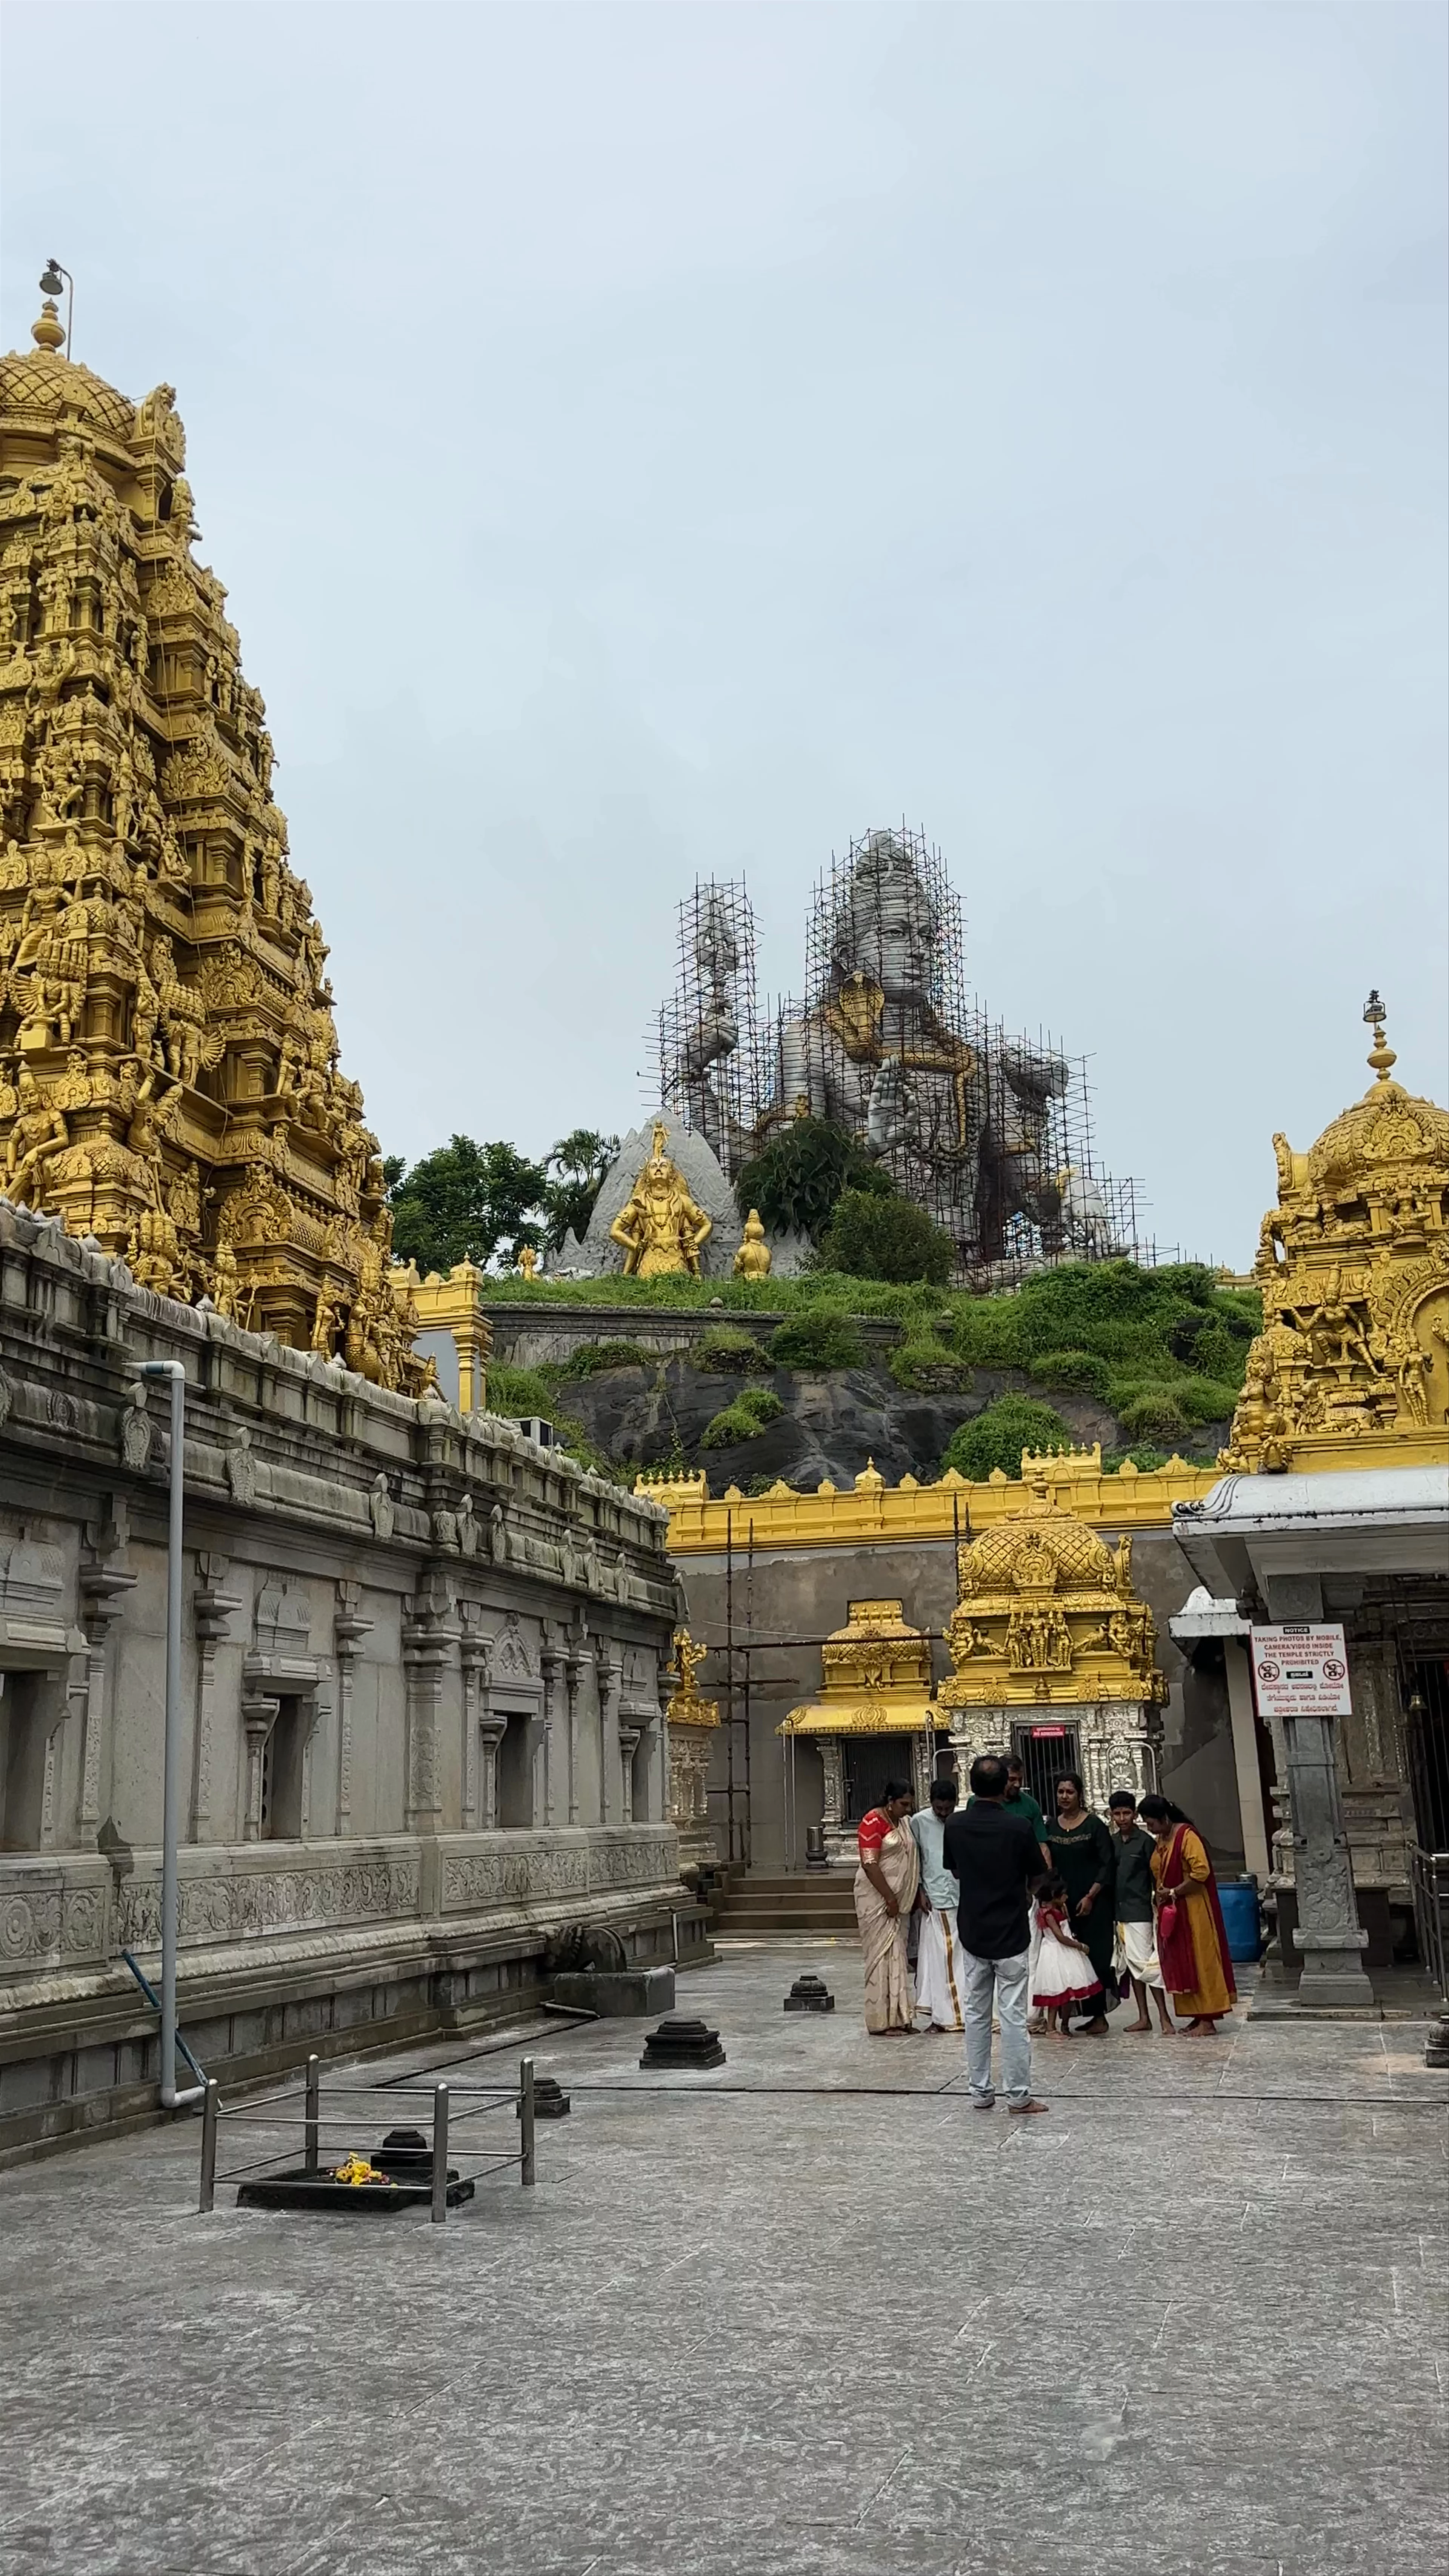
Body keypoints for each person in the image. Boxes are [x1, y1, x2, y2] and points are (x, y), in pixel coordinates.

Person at [941, 1753, 1049, 2116]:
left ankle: (979, 2091)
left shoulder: (955, 1826)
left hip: (973, 1929)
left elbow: (955, 1872)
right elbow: (1038, 1876)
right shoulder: (1018, 1828)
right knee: (1014, 2018)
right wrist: (1022, 1893)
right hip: (1011, 1931)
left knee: (975, 2014)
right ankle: (1018, 2095)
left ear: (971, 1787)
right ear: (1006, 1785)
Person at [1140, 1795, 1237, 2037]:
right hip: (1174, 1910)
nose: (1150, 1830)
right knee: (1183, 1961)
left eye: (1151, 1824)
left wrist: (1173, 1892)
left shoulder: (1187, 1836)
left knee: (1201, 1960)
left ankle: (1209, 2019)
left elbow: (1200, 1872)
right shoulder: (1164, 1838)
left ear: (1164, 1818)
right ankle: (1197, 2016)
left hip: (1194, 1909)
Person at [1043, 1773, 1117, 2035]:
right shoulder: (1052, 1826)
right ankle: (1068, 2018)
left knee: (1094, 1955)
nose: (1064, 1797)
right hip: (1063, 1905)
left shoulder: (1095, 1825)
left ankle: (1099, 2015)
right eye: (1061, 1791)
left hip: (1094, 1903)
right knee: (1069, 1960)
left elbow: (1107, 1864)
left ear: (1080, 1794)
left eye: (1070, 1792)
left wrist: (1090, 1896)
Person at [854, 1779, 919, 2035]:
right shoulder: (873, 1821)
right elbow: (870, 1864)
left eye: (910, 1805)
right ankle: (881, 2021)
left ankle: (901, 2017)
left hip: (898, 1900)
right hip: (876, 1898)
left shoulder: (903, 1823)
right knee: (881, 1957)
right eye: (903, 1804)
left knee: (898, 1956)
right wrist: (889, 1898)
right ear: (890, 1801)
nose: (907, 1809)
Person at [1109, 1789, 1174, 2036]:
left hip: (1141, 1912)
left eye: (1127, 1813)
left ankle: (1164, 2017)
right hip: (1119, 1911)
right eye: (1118, 1814)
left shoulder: (1147, 1842)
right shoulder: (1111, 1842)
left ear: (1135, 1814)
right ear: (1112, 1815)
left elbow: (1157, 1877)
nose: (1123, 1818)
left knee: (1147, 1963)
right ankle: (1143, 2016)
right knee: (1132, 1967)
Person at [909, 1776, 968, 2032]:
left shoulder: (963, 1820)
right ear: (931, 1803)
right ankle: (944, 2015)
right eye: (939, 1809)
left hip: (964, 1895)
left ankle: (964, 2013)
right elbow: (917, 1859)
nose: (944, 1814)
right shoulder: (919, 1822)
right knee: (939, 1959)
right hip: (935, 1898)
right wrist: (920, 1890)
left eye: (948, 1808)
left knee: (964, 1959)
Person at [1030, 1873, 1104, 2035]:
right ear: (1054, 1896)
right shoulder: (1049, 1915)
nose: (1067, 1896)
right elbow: (1060, 1937)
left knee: (1070, 1993)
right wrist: (1080, 1946)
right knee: (1056, 1992)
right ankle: (1051, 2028)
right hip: (1056, 1954)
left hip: (1067, 1955)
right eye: (1063, 1894)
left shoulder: (1059, 1909)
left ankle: (1065, 2025)